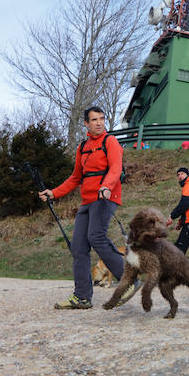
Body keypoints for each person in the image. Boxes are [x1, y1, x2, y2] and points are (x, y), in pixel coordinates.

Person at [39, 106, 140, 309]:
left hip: (105, 196)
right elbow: (76, 178)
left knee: (96, 236)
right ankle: (82, 296)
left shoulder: (110, 141)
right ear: (86, 123)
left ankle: (129, 280)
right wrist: (54, 193)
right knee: (78, 247)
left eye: (101, 119)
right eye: (94, 120)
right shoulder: (83, 148)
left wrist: (106, 186)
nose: (99, 123)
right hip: (87, 201)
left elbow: (115, 168)